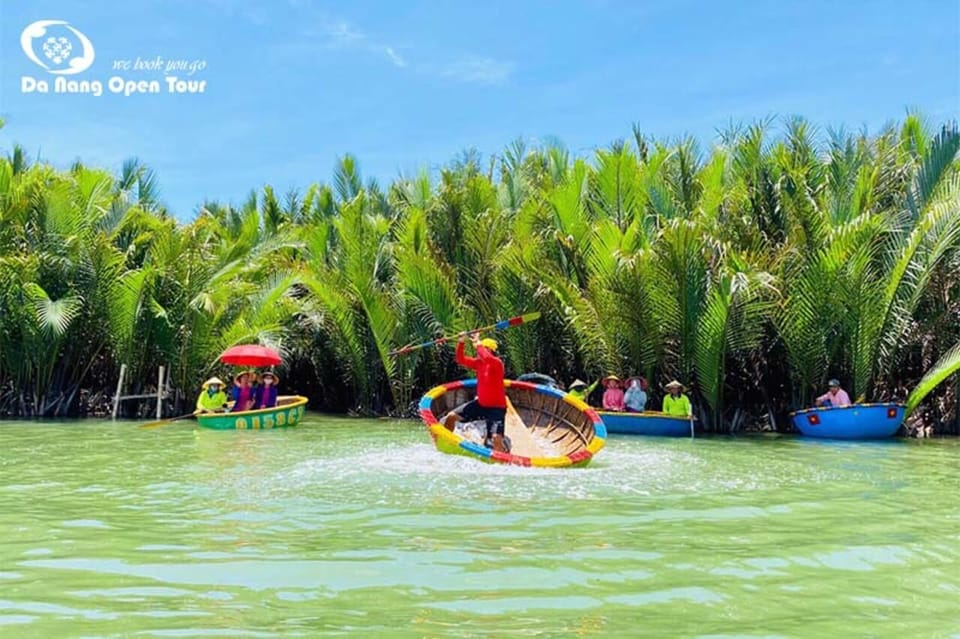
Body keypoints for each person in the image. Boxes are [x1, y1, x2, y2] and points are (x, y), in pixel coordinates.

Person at [443, 334, 509, 453]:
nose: (479, 352)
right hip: (480, 405)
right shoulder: (479, 363)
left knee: (495, 439)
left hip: (496, 409)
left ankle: (503, 458)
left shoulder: (497, 363)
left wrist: (478, 343)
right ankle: (445, 445)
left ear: (490, 350)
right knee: (451, 417)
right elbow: (460, 359)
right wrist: (461, 342)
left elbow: (487, 358)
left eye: (484, 348)